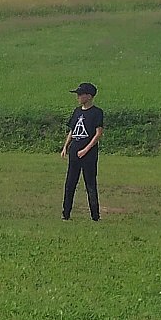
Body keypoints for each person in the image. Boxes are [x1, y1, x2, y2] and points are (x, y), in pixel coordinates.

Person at [60, 82, 104, 221]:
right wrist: (66, 146)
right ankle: (66, 213)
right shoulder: (77, 111)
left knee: (90, 184)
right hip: (75, 152)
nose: (78, 97)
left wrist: (86, 149)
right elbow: (73, 131)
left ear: (89, 96)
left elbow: (98, 133)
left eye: (80, 94)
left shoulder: (97, 112)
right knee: (70, 183)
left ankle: (95, 216)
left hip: (89, 155)